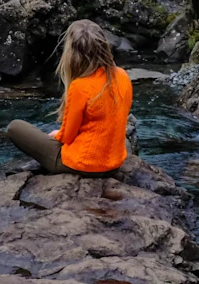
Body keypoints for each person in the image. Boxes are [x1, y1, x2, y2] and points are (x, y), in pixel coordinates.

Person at [7, 19, 133, 177]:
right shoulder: (122, 75)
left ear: (72, 54)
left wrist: (57, 135)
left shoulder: (80, 87)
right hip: (114, 164)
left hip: (82, 164)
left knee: (15, 127)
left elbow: (67, 137)